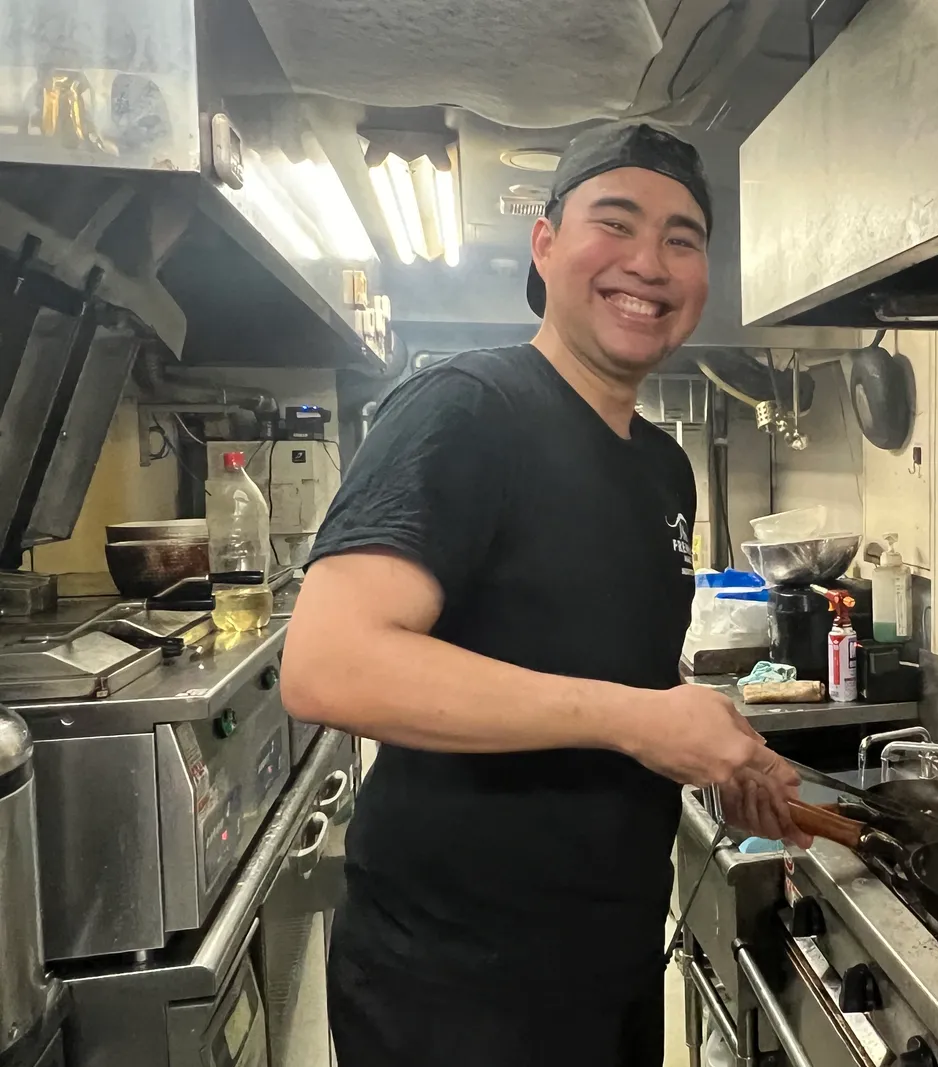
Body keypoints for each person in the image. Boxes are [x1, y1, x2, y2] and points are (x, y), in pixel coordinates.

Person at [281, 122, 810, 1067]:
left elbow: (608, 675)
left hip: (602, 967)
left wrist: (713, 755)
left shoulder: (661, 469)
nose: (649, 262)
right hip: (454, 992)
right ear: (546, 243)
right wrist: (636, 720)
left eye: (682, 239)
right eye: (617, 223)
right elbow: (329, 664)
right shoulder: (467, 408)